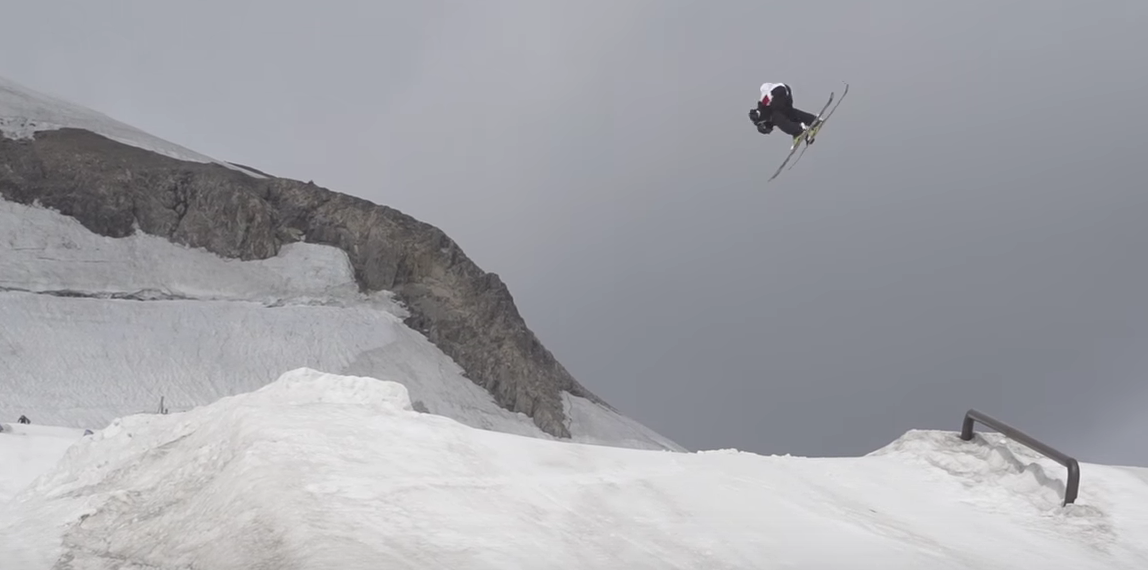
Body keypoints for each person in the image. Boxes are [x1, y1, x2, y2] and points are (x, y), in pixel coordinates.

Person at [749, 82, 822, 144]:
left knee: (777, 117)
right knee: (789, 113)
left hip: (776, 92)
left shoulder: (763, 107)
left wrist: (757, 114)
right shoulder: (767, 115)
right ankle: (813, 121)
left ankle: (798, 131)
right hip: (785, 90)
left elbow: (760, 111)